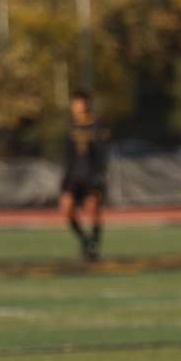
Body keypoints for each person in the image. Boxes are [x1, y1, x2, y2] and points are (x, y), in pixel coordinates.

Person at [59, 90, 108, 262]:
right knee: (66, 209)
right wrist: (64, 180)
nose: (80, 106)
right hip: (74, 176)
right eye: (77, 103)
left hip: (91, 175)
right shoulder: (70, 126)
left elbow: (102, 153)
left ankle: (94, 244)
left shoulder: (97, 124)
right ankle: (85, 240)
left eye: (83, 102)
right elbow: (68, 155)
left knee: (92, 210)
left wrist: (100, 175)